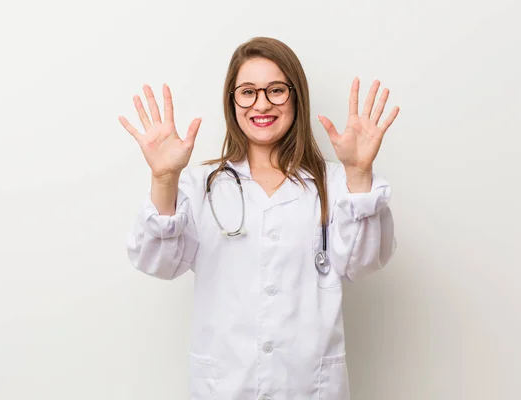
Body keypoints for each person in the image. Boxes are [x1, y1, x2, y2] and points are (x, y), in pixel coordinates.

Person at [119, 37, 400, 400]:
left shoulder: (336, 183)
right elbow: (156, 262)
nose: (262, 103)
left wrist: (360, 172)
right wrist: (163, 178)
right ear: (232, 101)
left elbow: (363, 264)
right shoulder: (201, 186)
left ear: (296, 96)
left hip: (307, 388)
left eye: (276, 90)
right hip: (225, 386)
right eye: (247, 92)